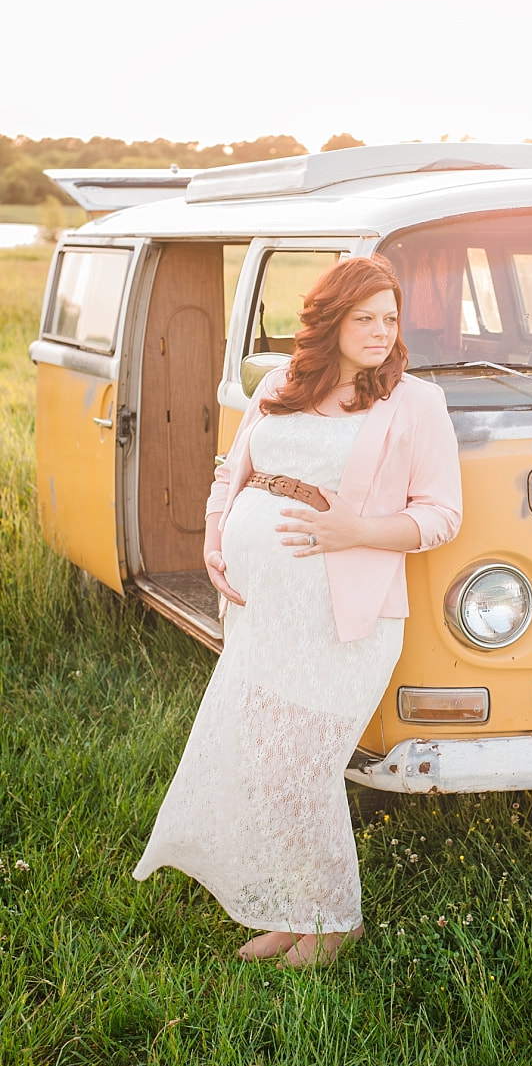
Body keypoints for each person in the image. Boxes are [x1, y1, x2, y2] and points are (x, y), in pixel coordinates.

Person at [133, 254, 462, 967]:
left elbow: (441, 515)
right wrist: (215, 541)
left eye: (390, 319)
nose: (380, 332)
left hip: (346, 617)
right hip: (262, 612)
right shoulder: (281, 383)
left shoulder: (414, 403)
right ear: (330, 321)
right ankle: (295, 908)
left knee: (301, 767)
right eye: (364, 318)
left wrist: (358, 532)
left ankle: (334, 921)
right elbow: (234, 469)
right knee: (261, 760)